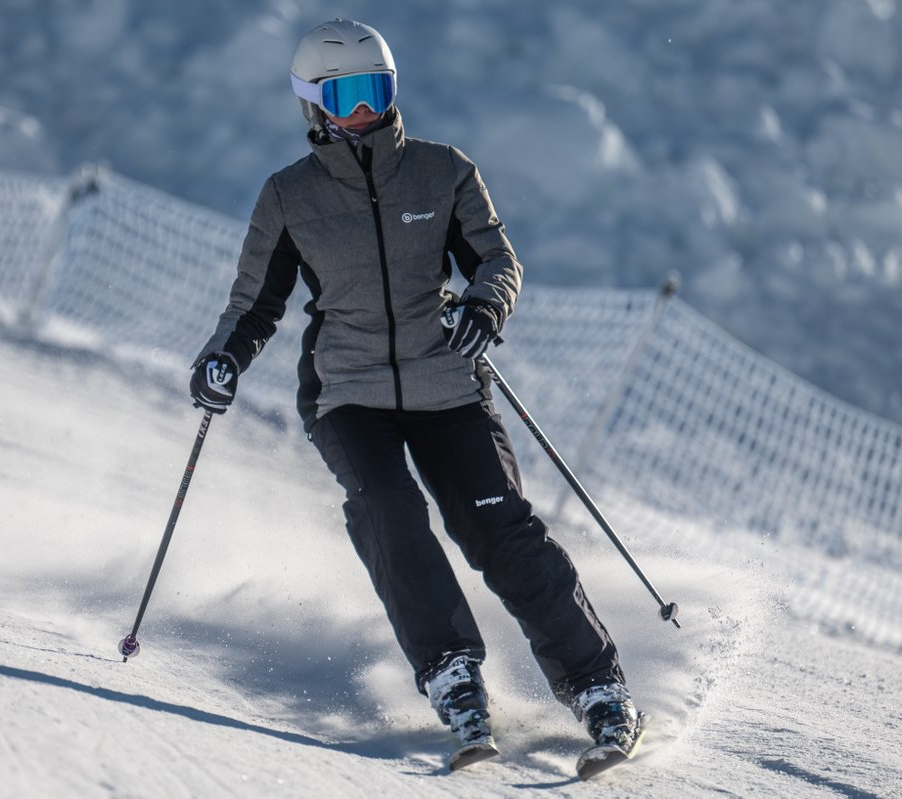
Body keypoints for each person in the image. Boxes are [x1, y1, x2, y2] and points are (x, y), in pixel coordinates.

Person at [189, 18, 639, 766]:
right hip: (348, 389)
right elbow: (254, 304)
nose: (365, 110)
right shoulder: (289, 197)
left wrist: (485, 306)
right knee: (390, 511)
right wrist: (221, 360)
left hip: (446, 379)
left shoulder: (442, 171)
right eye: (347, 97)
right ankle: (452, 672)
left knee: (498, 529)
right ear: (313, 104)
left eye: (376, 90)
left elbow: (496, 259)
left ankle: (598, 686)